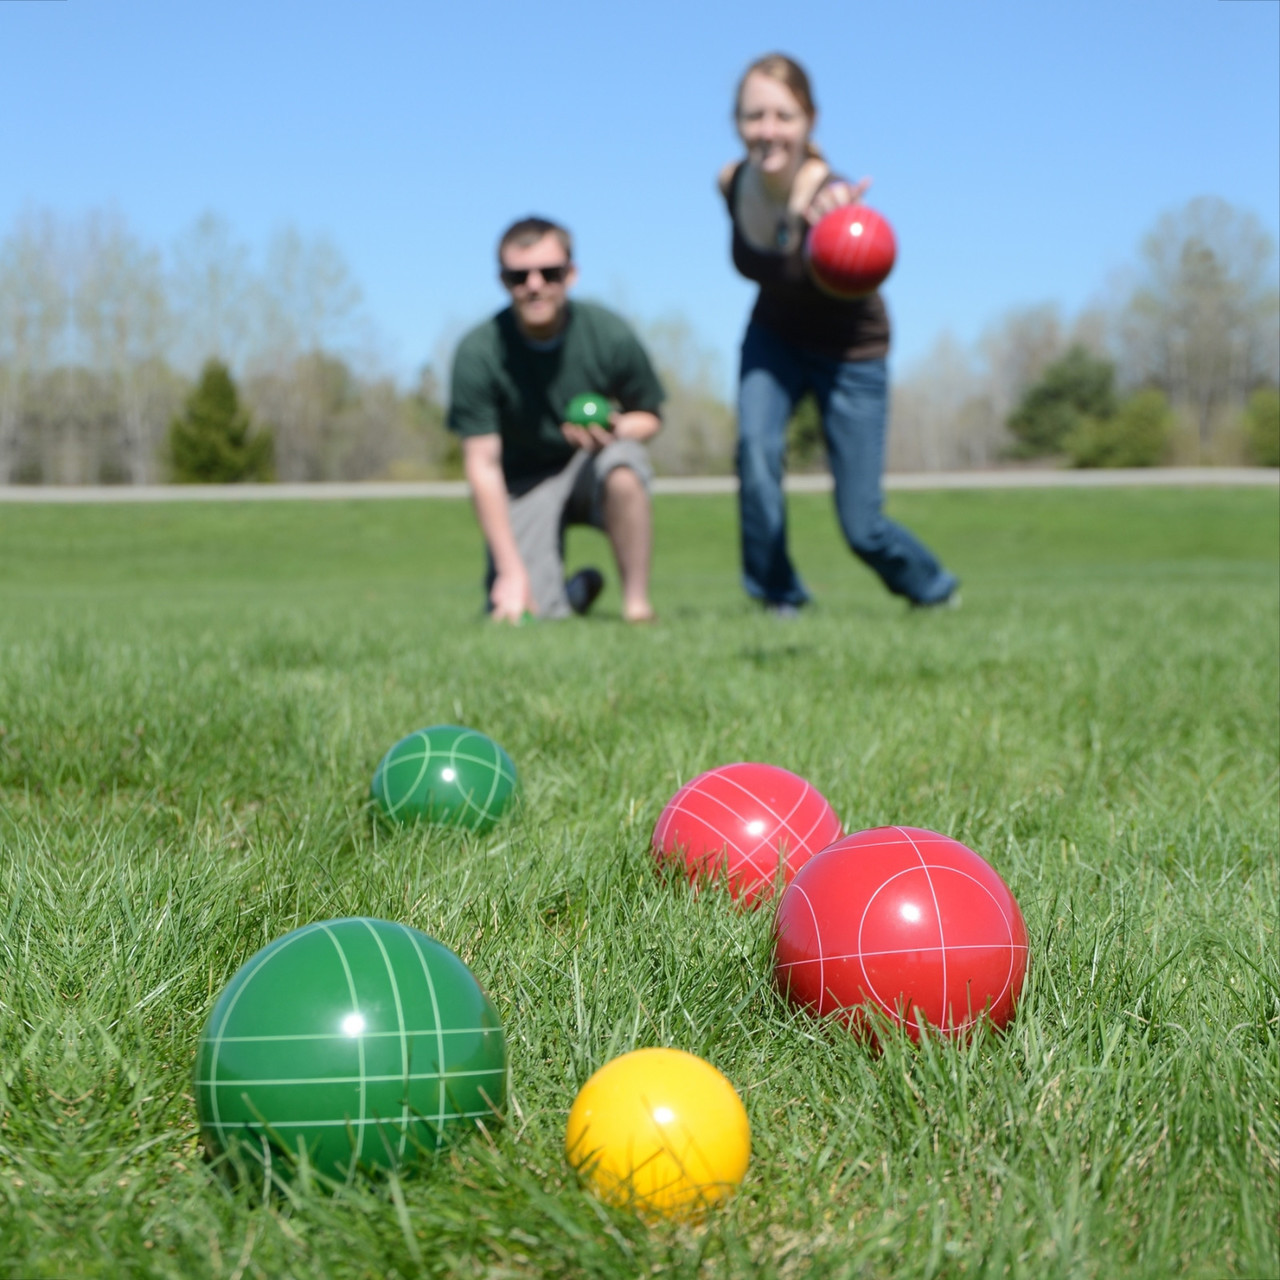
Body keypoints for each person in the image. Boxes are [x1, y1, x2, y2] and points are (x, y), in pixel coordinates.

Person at [719, 54, 958, 613]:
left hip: (852, 349)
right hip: (773, 335)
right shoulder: (730, 183)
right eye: (755, 116)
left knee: (862, 525)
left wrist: (837, 217)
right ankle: (777, 596)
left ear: (810, 121)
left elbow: (846, 218)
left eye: (784, 115)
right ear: (736, 123)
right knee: (754, 454)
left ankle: (932, 588)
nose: (768, 130)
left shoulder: (829, 194)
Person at [448, 216, 664, 623]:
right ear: (503, 281)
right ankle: (572, 592)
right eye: (519, 276)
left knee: (626, 465)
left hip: (589, 466)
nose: (535, 285)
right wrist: (511, 572)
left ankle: (637, 605)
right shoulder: (479, 352)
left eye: (549, 272)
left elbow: (650, 416)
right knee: (526, 613)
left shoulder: (608, 333)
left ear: (571, 274)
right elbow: (482, 465)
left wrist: (615, 431)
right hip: (523, 484)